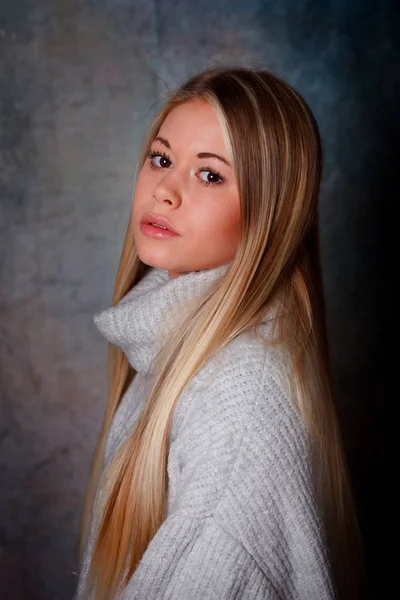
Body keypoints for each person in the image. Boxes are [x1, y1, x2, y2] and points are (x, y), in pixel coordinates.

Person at [73, 65, 362, 600]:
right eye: (161, 159)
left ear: (269, 215)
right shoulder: (172, 347)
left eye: (210, 175)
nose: (164, 191)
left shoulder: (238, 400)